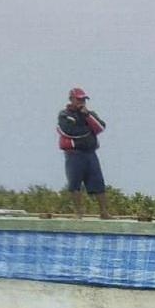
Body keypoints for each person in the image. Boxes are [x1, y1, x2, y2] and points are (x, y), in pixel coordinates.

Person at [56, 87, 109, 219]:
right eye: (79, 99)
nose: (82, 102)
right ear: (71, 99)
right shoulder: (64, 115)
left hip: (90, 153)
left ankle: (104, 212)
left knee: (98, 183)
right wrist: (87, 131)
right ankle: (79, 212)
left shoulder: (89, 114)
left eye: (84, 99)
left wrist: (87, 117)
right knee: (74, 183)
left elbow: (100, 127)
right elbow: (69, 131)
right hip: (74, 154)